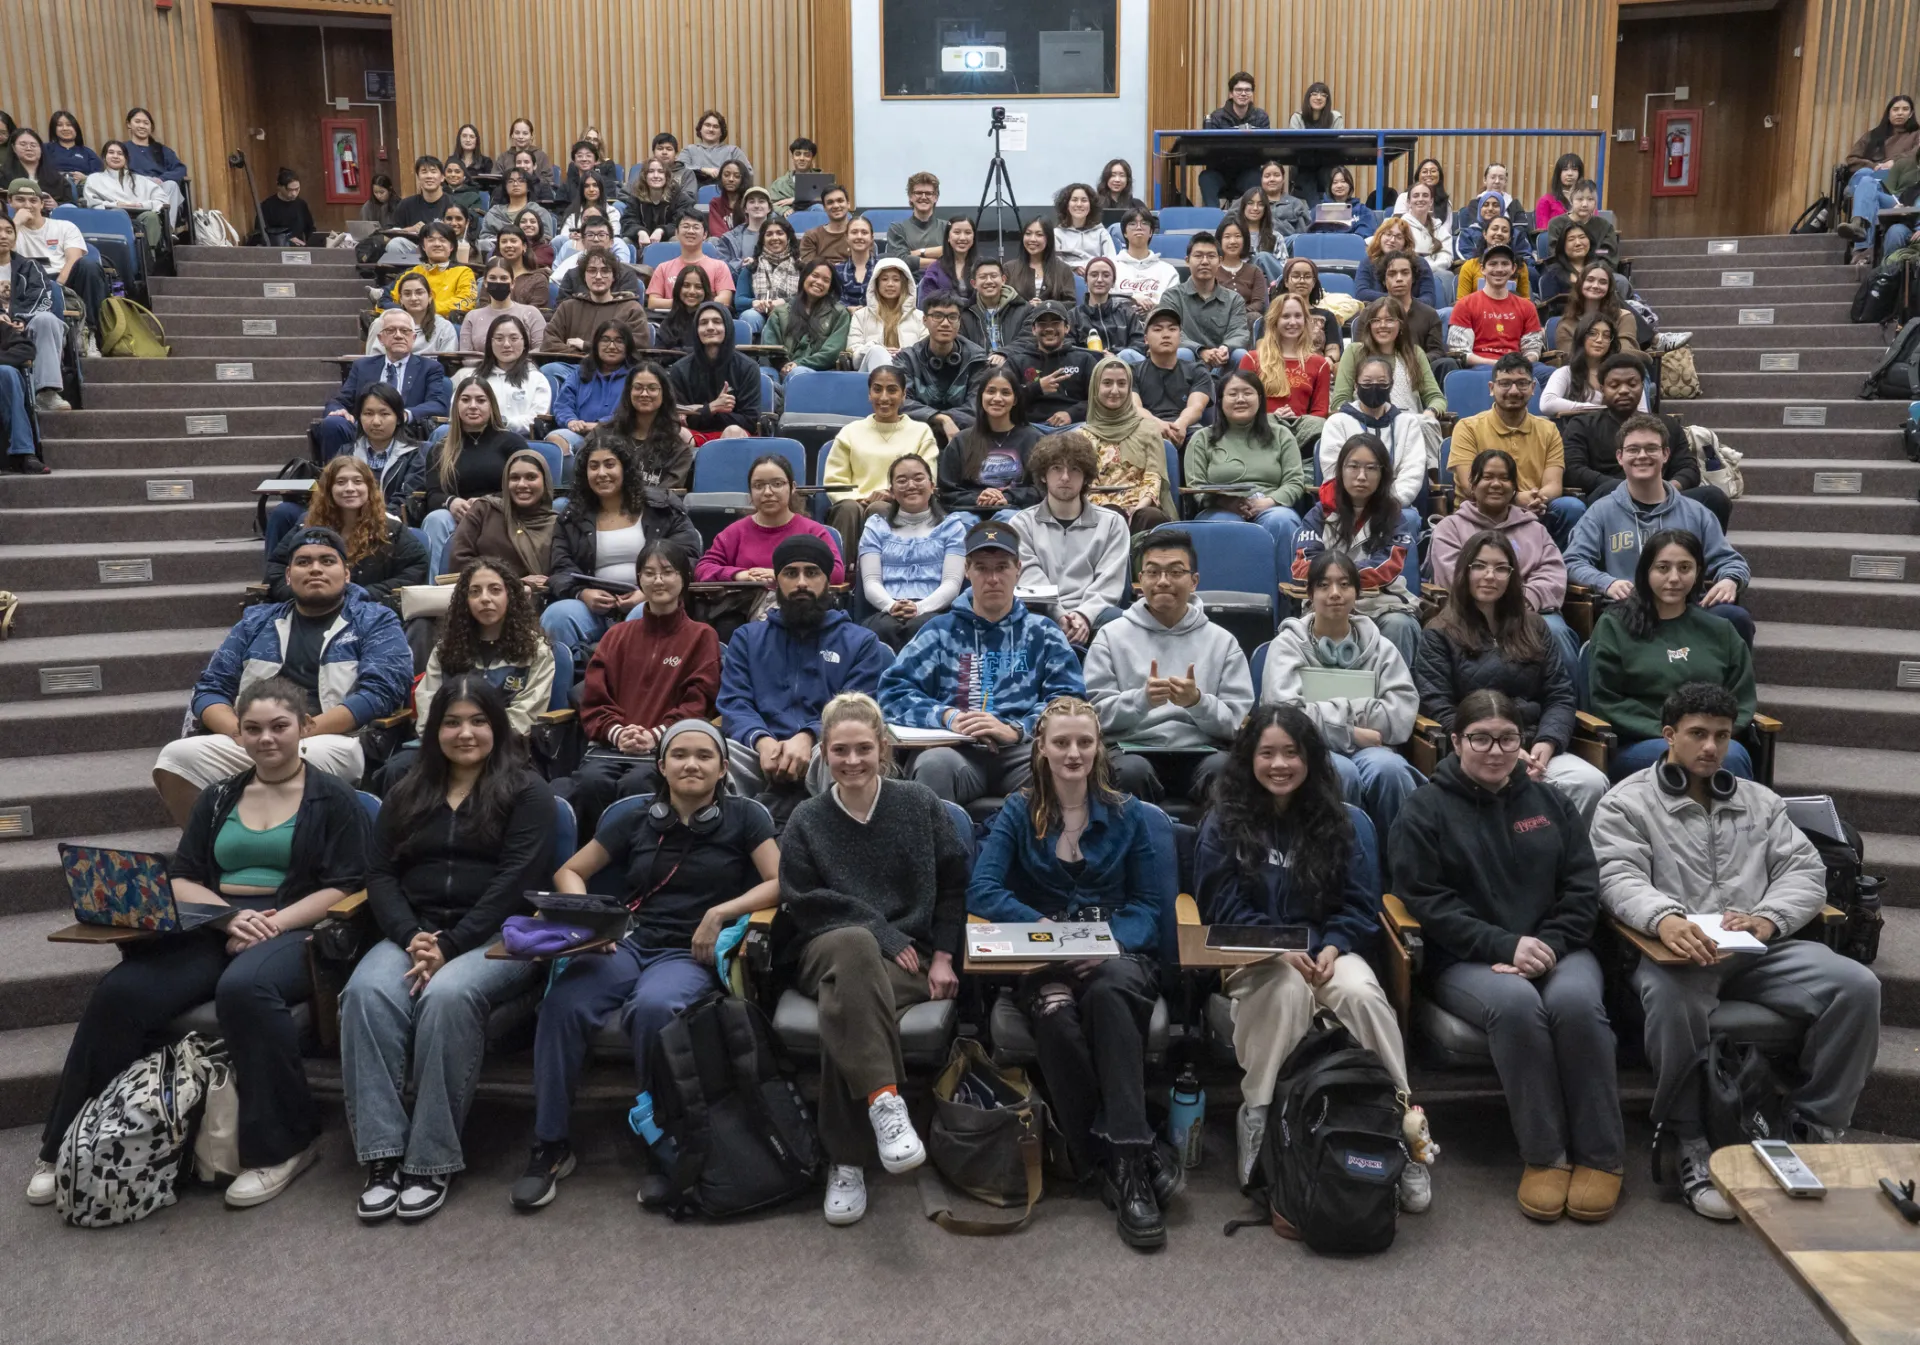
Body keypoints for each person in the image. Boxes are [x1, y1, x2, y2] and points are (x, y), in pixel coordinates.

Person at [27, 678, 371, 1211]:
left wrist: (273, 924)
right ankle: (67, 1143)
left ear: (304, 729)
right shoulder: (218, 798)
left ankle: (284, 1146)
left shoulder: (336, 799)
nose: (266, 739)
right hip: (218, 921)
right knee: (122, 992)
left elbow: (346, 884)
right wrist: (227, 917)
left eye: (280, 727)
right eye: (252, 729)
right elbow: (183, 876)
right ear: (239, 736)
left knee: (245, 989)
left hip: (298, 924)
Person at [1592, 681, 1882, 1219]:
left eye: (1722, 736)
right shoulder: (1626, 802)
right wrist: (1664, 917)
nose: (1710, 748)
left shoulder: (1760, 801)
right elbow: (1617, 875)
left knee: (1858, 987)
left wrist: (1769, 920)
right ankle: (1691, 1139)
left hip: (1756, 949)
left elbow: (1804, 871)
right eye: (1697, 734)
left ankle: (1812, 1126)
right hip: (1676, 954)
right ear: (1668, 736)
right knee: (1674, 1001)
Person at [516, 719, 779, 1210]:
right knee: (563, 1004)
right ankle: (550, 1143)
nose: (691, 764)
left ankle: (665, 1145)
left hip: (689, 952)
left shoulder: (747, 817)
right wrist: (591, 922)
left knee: (656, 1009)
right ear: (661, 765)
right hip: (630, 944)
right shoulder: (635, 815)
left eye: (705, 755)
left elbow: (778, 881)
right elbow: (570, 871)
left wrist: (722, 912)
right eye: (680, 755)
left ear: (723, 768)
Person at [1390, 688, 1621, 1223]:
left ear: (1524, 743)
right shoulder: (1424, 809)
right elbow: (1425, 900)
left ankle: (1602, 1156)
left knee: (1577, 1005)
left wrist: (1549, 945)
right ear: (1455, 741)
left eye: (1508, 739)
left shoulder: (1551, 802)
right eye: (1480, 739)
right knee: (1516, 1005)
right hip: (1467, 958)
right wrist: (1504, 945)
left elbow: (1583, 887)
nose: (1495, 751)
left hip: (1559, 948)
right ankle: (1545, 1156)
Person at [1199, 705, 1436, 1204]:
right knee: (1284, 989)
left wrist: (1332, 944)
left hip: (1329, 948)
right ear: (1249, 759)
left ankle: (1403, 1127)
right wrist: (1280, 948)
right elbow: (1220, 905)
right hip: (1255, 954)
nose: (1279, 764)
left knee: (1361, 992)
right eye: (1267, 753)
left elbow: (1359, 902)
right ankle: (1258, 1115)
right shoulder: (1225, 821)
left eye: (1291, 752)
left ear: (1310, 759)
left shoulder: (1345, 822)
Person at [966, 697, 1177, 1248]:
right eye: (1061, 742)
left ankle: (1125, 1166)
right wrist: (1045, 930)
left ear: (1099, 747)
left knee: (1110, 995)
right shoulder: (1018, 811)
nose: (1073, 752)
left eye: (1084, 741)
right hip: (1045, 957)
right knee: (1056, 1016)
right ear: (1041, 747)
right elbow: (984, 890)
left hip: (1118, 958)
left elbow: (1149, 908)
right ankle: (1124, 1151)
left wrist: (1106, 943)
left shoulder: (1129, 815)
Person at [339, 676, 551, 1221]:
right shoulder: (408, 786)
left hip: (499, 935)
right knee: (365, 992)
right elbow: (381, 873)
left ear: (497, 727)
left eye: (478, 721)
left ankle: (431, 1159)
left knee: (448, 998)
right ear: (434, 730)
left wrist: (451, 945)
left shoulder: (527, 791)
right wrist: (412, 935)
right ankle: (383, 1155)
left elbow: (515, 882)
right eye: (452, 722)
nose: (465, 733)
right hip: (415, 930)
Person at [769, 692, 965, 1224]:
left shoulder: (919, 804)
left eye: (862, 749)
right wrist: (878, 930)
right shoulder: (807, 818)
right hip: (824, 947)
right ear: (824, 755)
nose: (851, 761)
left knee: (848, 1006)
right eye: (839, 751)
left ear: (882, 748)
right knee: (854, 948)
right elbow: (802, 901)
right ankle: (885, 1102)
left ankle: (847, 1162)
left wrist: (944, 956)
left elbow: (953, 887)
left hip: (911, 958)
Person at [152, 523, 409, 829]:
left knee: (288, 761)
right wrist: (241, 731)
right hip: (252, 737)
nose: (315, 569)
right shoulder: (257, 621)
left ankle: (274, 854)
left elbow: (382, 691)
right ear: (288, 576)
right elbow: (211, 687)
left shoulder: (374, 619)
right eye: (303, 562)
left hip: (331, 740)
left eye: (327, 561)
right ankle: (209, 856)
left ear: (347, 574)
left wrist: (302, 731)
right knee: (176, 758)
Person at [880, 521, 1085, 806]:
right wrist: (948, 717)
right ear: (967, 571)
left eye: (1001, 567)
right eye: (982, 568)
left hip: (1024, 752)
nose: (992, 578)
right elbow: (892, 692)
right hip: (956, 751)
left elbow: (1069, 700)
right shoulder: (939, 631)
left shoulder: (1044, 633)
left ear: (1018, 570)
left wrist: (1016, 729)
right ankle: (942, 851)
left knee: (1061, 765)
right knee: (932, 765)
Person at [1417, 530, 1607, 821]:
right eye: (1479, 566)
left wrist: (1549, 741)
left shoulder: (1535, 626)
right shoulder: (1439, 632)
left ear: (1512, 575)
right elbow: (1437, 704)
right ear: (1463, 571)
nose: (1489, 575)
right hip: (1477, 750)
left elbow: (1559, 694)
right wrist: (1499, 746)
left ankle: (1562, 862)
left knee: (1588, 782)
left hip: (1535, 747)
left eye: (1500, 568)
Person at [718, 535, 893, 808]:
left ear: (827, 581)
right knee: (706, 754)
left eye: (811, 573)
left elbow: (855, 711)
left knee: (845, 755)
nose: (801, 582)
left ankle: (839, 843)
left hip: (822, 753)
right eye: (791, 573)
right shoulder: (747, 638)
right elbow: (734, 702)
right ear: (777, 582)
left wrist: (808, 736)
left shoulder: (860, 642)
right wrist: (761, 740)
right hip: (758, 753)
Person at [1262, 550, 1423, 838]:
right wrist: (1353, 731)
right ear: (1309, 594)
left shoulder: (1382, 648)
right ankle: (1336, 867)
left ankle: (1395, 868)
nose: (1335, 593)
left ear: (1357, 593)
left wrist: (1324, 714)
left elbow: (1399, 719)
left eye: (1345, 584)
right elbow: (1285, 718)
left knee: (1390, 770)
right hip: (1306, 751)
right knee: (1340, 771)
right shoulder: (1287, 645)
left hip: (1372, 752)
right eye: (1324, 585)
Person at [1087, 529, 1254, 805]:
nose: (1163, 581)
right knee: (1130, 772)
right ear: (1141, 581)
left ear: (1194, 581)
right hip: (1130, 750)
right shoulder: (1110, 636)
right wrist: (1142, 701)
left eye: (1175, 572)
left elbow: (1236, 723)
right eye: (1153, 572)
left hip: (1203, 750)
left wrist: (1197, 702)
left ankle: (1210, 848)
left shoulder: (1222, 641)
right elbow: (1096, 717)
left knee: (1224, 771)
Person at [565, 540, 722, 832]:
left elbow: (698, 702)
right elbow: (594, 697)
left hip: (665, 751)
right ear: (639, 580)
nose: (658, 580)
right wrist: (619, 733)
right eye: (648, 573)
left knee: (637, 784)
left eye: (667, 572)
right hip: (610, 748)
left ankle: (639, 863)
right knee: (589, 783)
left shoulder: (702, 637)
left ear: (683, 578)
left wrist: (654, 737)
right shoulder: (617, 635)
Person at [1588, 529, 1757, 779]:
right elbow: (1605, 699)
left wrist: (1711, 734)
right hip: (1642, 739)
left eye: (1685, 568)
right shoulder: (1614, 625)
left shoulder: (1720, 630)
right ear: (1646, 572)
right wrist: (1677, 735)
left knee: (1726, 754)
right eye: (1663, 568)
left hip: (1712, 739)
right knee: (1718, 757)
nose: (1674, 578)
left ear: (1698, 572)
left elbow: (1741, 697)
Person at [1566, 412, 1751, 635]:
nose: (1642, 455)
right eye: (1633, 449)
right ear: (1619, 457)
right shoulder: (1601, 511)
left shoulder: (1696, 513)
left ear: (1665, 455)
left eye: (1651, 448)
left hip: (1687, 608)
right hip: (1628, 610)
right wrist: (1607, 582)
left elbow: (1731, 561)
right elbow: (1572, 561)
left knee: (1736, 618)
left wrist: (1730, 580)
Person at [540, 437, 700, 665]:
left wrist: (648, 593)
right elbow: (560, 568)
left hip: (652, 597)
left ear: (625, 468)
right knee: (557, 616)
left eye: (610, 464)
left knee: (644, 614)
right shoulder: (571, 517)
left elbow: (688, 556)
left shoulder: (662, 507)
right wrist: (582, 594)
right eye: (593, 466)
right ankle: (571, 690)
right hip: (594, 608)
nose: (602, 473)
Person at [1430, 447, 1578, 667]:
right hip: (1469, 614)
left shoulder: (1535, 529)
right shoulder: (1450, 527)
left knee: (1556, 632)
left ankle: (1568, 701)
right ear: (1472, 484)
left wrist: (1519, 604)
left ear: (1514, 488)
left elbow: (1552, 575)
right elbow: (1452, 576)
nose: (1496, 484)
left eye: (1504, 478)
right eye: (1488, 477)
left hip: (1528, 611)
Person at [1295, 435, 1422, 668]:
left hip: (1382, 602)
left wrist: (1340, 576)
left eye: (1371, 468)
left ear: (1383, 474)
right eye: (1353, 466)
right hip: (1326, 601)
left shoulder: (1394, 515)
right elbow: (1303, 564)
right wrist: (1339, 583)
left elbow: (1389, 565)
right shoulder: (1319, 513)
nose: (1361, 476)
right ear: (1340, 469)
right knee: (1309, 625)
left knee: (1399, 624)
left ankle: (1393, 698)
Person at [1562, 359, 1730, 531]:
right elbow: (1574, 470)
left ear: (1642, 387)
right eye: (1614, 385)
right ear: (1602, 389)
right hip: (1609, 497)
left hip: (1664, 496)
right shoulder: (1582, 425)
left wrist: (1666, 490)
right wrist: (1627, 489)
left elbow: (1689, 469)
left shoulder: (1667, 424)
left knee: (1714, 497)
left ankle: (1704, 555)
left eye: (1632, 384)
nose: (1624, 390)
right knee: (1612, 488)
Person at [1009, 431, 1130, 650]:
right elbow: (1029, 578)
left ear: (1086, 477)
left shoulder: (1113, 523)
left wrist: (1084, 615)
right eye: (1057, 468)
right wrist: (1059, 615)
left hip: (1095, 613)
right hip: (1043, 611)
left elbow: (1109, 583)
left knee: (1121, 622)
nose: (1065, 477)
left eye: (1074, 469)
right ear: (1043, 475)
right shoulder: (1021, 523)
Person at [1447, 352, 1581, 548]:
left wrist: (1535, 500)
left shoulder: (1548, 429)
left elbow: (1553, 485)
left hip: (1534, 513)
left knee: (1570, 507)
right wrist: (1517, 500)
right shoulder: (1468, 427)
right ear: (1492, 388)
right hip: (1481, 513)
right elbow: (1470, 486)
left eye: (1522, 383)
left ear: (1533, 388)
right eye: (1505, 383)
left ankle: (1560, 571)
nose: (1514, 390)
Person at [1186, 367, 1312, 571]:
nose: (1240, 399)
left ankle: (1287, 599)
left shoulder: (1281, 435)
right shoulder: (1202, 439)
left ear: (1260, 398)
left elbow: (1295, 481)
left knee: (1282, 521)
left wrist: (1267, 502)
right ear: (1220, 400)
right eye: (1233, 394)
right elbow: (1196, 486)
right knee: (1224, 525)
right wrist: (1226, 502)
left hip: (1270, 505)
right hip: (1219, 508)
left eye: (1247, 393)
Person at [264, 456, 426, 607]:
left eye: (357, 481)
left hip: (371, 611)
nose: (350, 488)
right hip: (313, 612)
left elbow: (416, 569)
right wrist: (301, 595)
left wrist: (363, 594)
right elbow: (276, 568)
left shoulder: (390, 529)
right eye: (340, 482)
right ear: (329, 489)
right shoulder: (307, 526)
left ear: (368, 487)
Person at [821, 363, 940, 558]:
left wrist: (892, 494)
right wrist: (861, 498)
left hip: (901, 504)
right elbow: (835, 483)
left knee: (880, 508)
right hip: (854, 503)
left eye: (892, 390)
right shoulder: (851, 431)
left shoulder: (921, 431)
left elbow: (927, 480)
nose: (884, 397)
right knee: (848, 508)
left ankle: (885, 572)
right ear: (869, 394)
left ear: (903, 395)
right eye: (877, 390)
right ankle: (841, 578)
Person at [1318, 355, 1430, 553]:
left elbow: (1413, 472)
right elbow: (1332, 471)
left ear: (1391, 385)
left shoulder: (1408, 423)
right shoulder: (1337, 423)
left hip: (1393, 503)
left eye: (1381, 383)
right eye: (1367, 382)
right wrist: (1361, 505)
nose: (1374, 387)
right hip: (1348, 503)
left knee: (1408, 518)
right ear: (1356, 384)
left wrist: (1385, 504)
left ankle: (1399, 580)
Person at [859, 453, 969, 650]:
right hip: (887, 609)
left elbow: (952, 583)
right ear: (892, 491)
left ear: (932, 485)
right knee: (881, 629)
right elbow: (871, 582)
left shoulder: (952, 526)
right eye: (902, 480)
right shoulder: (875, 526)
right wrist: (891, 606)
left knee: (925, 627)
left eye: (918, 478)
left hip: (935, 610)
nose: (911, 485)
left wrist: (920, 608)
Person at [697, 452, 846, 586]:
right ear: (750, 491)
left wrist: (780, 575)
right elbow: (703, 569)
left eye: (777, 484)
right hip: (743, 610)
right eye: (758, 485)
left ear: (793, 487)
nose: (768, 492)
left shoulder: (812, 531)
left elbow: (836, 572)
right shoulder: (735, 532)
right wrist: (739, 575)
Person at [1079, 357, 1176, 529]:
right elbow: (1085, 485)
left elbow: (1153, 477)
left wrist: (1138, 508)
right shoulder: (1082, 436)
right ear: (1095, 387)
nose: (1115, 390)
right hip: (1098, 508)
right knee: (1110, 516)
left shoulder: (1148, 429)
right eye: (1107, 383)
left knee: (1150, 517)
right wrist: (1111, 510)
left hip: (1141, 506)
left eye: (1122, 384)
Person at [1329, 297, 1446, 437]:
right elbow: (1340, 400)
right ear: (1369, 326)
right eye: (1376, 321)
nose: (1382, 325)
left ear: (1401, 325)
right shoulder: (1354, 352)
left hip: (1410, 430)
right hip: (1363, 430)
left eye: (1390, 320)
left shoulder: (1414, 353)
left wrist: (1429, 413)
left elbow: (1436, 398)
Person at [447, 449, 558, 593]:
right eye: (514, 478)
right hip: (481, 597)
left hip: (534, 602)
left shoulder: (557, 524)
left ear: (545, 482)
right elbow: (459, 561)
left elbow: (560, 575)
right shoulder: (484, 510)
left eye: (531, 477)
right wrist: (515, 582)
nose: (522, 484)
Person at [7, 179, 107, 338]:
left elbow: (74, 259)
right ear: (10, 202)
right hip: (26, 282)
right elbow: (5, 259)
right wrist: (16, 224)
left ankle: (92, 333)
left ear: (41, 204)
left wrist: (57, 286)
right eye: (20, 200)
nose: (27, 205)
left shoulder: (64, 226)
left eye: (33, 200)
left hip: (62, 278)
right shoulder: (6, 232)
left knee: (89, 266)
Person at [936, 367, 1041, 518]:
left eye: (1005, 393)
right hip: (970, 513)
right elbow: (947, 491)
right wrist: (978, 497)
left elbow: (1041, 488)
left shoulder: (1034, 439)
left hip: (1015, 513)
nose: (997, 398)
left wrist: (1008, 497)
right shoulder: (961, 441)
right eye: (991, 391)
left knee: (1007, 517)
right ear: (981, 396)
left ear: (1015, 400)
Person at [0, 214, 73, 420]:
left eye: (8, 231)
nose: (3, 235)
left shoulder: (30, 267)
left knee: (47, 319)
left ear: (15, 237)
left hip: (25, 329)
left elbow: (42, 297)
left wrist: (20, 319)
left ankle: (47, 393)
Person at [587, 361, 696, 493]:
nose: (644, 394)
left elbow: (666, 497)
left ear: (664, 394)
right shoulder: (601, 434)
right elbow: (582, 477)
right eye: (638, 387)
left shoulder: (678, 450)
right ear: (629, 392)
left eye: (652, 388)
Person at [1835, 95, 1917, 258]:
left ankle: (1859, 227)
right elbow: (1852, 159)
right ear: (1888, 113)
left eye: (1905, 109)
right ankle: (1861, 239)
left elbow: (1916, 155)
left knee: (1865, 181)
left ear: (1911, 113)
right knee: (1866, 176)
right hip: (1872, 181)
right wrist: (1874, 166)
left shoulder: (1917, 135)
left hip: (1897, 194)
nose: (1900, 113)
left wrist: (1894, 162)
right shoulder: (1873, 136)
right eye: (1895, 109)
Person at [899, 290, 987, 440]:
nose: (945, 323)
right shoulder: (907, 358)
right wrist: (941, 418)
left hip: (965, 435)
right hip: (917, 436)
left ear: (960, 321)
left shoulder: (976, 359)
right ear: (925, 320)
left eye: (952, 317)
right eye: (938, 316)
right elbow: (901, 402)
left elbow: (976, 407)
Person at [1243, 293, 1333, 438]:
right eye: (1285, 316)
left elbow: (1320, 412)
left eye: (1298, 316)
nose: (1293, 322)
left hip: (1301, 433)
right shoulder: (1252, 359)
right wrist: (1271, 417)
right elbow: (1243, 404)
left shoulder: (1320, 364)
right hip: (1260, 431)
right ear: (1274, 321)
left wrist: (1297, 421)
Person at [668, 301, 761, 442]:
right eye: (704, 323)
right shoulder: (679, 370)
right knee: (678, 433)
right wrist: (712, 408)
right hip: (695, 435)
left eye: (717, 322)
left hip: (735, 435)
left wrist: (700, 411)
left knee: (733, 431)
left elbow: (750, 420)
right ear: (696, 329)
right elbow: (678, 416)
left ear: (727, 327)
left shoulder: (748, 367)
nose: (710, 327)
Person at [545, 321, 639, 455]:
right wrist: (571, 421)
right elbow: (562, 404)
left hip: (619, 435)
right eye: (605, 340)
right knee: (556, 440)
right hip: (579, 434)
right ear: (596, 344)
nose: (612, 346)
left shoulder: (636, 376)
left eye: (619, 341)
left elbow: (634, 413)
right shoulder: (581, 372)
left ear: (628, 346)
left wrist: (600, 426)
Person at [1164, 232, 1251, 369]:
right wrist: (1200, 350)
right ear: (1187, 260)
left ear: (1220, 261)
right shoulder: (1172, 296)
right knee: (1183, 353)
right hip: (1189, 362)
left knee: (1241, 354)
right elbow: (1169, 332)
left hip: (1223, 363)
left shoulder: (1234, 299)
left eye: (1211, 256)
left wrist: (1224, 348)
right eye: (1198, 256)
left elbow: (1239, 332)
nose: (1205, 262)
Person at [1005, 301, 1097, 429]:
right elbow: (1004, 399)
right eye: (1042, 323)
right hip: (1029, 428)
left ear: (1066, 328)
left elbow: (1098, 399)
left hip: (1074, 427)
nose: (1049, 328)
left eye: (1055, 323)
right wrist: (1037, 388)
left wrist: (1072, 414)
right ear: (1033, 329)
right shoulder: (1016, 362)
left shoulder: (1084, 360)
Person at [1445, 245, 1540, 367]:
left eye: (1505, 264)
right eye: (1493, 264)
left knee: (1547, 372)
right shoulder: (1465, 305)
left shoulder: (1527, 307)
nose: (1499, 269)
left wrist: (1518, 365)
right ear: (1482, 269)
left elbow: (1533, 349)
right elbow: (1460, 352)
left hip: (1519, 367)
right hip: (1481, 367)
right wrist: (1498, 364)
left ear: (1513, 268)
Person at [452, 316, 550, 435]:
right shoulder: (472, 378)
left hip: (521, 441)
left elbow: (537, 419)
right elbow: (455, 413)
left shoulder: (536, 379)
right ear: (490, 343)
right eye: (499, 339)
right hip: (474, 438)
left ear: (524, 343)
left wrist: (503, 423)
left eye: (513, 338)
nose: (506, 344)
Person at [540, 250, 650, 354]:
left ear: (613, 277)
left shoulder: (631, 308)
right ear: (584, 276)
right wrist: (579, 354)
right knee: (550, 370)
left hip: (614, 368)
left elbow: (639, 344)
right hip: (571, 366)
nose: (598, 277)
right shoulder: (568, 307)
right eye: (592, 271)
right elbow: (549, 342)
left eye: (605, 271)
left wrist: (587, 346)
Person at [1132, 304, 1212, 446]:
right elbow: (1134, 408)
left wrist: (1181, 424)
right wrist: (1157, 424)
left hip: (1187, 429)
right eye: (1157, 329)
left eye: (1172, 329)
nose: (1166, 334)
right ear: (1145, 339)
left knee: (1202, 440)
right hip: (1146, 428)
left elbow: (1196, 407)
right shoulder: (1132, 371)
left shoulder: (1197, 370)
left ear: (1180, 337)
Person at [80, 140, 170, 251]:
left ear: (126, 158)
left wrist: (141, 205)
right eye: (111, 152)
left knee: (151, 217)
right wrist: (116, 204)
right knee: (118, 214)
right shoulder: (94, 179)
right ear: (104, 157)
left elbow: (162, 199)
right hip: (110, 217)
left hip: (138, 217)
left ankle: (148, 257)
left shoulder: (141, 180)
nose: (115, 156)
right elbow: (91, 203)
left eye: (120, 153)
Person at [1541, 312, 1635, 418]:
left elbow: (1642, 412)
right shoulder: (1566, 373)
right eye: (1592, 333)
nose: (1599, 340)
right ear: (1581, 337)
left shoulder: (1622, 373)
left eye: (1606, 336)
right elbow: (1547, 404)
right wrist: (1593, 408)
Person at [1199, 71, 1271, 206]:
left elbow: (1264, 148)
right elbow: (1209, 149)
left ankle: (1249, 221)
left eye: (1247, 90)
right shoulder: (1216, 117)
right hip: (1219, 172)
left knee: (1256, 177)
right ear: (1231, 93)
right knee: (1205, 178)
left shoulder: (1261, 117)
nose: (1243, 94)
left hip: (1248, 172)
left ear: (1252, 94)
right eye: (1238, 90)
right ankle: (1214, 220)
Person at [847, 257, 925, 371]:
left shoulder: (920, 317)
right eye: (884, 279)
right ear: (876, 283)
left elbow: (926, 353)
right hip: (870, 374)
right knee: (876, 352)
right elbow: (854, 357)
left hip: (908, 371)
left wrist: (905, 353)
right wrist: (877, 349)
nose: (890, 284)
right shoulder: (860, 316)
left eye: (896, 279)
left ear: (904, 283)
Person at [644, 212, 734, 311]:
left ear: (705, 234)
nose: (690, 231)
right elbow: (652, 302)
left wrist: (692, 303)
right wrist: (686, 302)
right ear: (677, 233)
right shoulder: (663, 268)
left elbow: (725, 300)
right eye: (686, 226)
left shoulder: (720, 267)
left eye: (696, 227)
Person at [1556, 264, 1644, 360]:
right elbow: (1570, 359)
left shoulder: (1624, 317)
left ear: (1609, 288)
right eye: (1590, 280)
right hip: (1580, 372)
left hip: (1617, 370)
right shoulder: (1566, 324)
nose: (1595, 286)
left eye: (1603, 282)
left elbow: (1625, 353)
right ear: (1580, 284)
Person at [461, 259, 547, 354]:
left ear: (513, 283)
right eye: (492, 278)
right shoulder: (472, 317)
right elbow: (466, 355)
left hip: (523, 367)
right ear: (485, 283)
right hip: (481, 368)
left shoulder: (531, 313)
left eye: (504, 278)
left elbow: (540, 349)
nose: (498, 282)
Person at [120, 106, 187, 225]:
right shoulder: (122, 149)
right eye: (137, 121)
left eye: (146, 123)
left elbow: (181, 169)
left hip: (158, 187)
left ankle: (168, 230)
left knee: (171, 185)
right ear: (129, 124)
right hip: (134, 188)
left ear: (151, 127)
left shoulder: (161, 150)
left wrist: (161, 179)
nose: (142, 126)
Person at [1072, 256, 1147, 361]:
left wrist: (1115, 358)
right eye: (1094, 275)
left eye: (1106, 275)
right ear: (1085, 281)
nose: (1099, 280)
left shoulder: (1127, 313)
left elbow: (1139, 345)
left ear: (1113, 282)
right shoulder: (1074, 315)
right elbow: (1069, 348)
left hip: (1124, 368)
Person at [1275, 256, 1348, 361]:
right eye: (1296, 276)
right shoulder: (1274, 314)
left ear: (1313, 283)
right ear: (1286, 281)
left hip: (1317, 368)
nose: (1302, 281)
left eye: (1307, 276)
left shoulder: (1327, 316)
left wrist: (1329, 360)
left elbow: (1333, 350)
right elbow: (1263, 348)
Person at [369, 273, 459, 357]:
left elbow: (447, 364)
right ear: (401, 299)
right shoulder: (382, 323)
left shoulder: (444, 327)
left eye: (419, 293)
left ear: (430, 297)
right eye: (407, 294)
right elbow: (373, 361)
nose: (413, 298)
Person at [1355, 218, 1438, 307]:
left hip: (1413, 313)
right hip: (1378, 314)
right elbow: (1361, 293)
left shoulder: (1420, 263)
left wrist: (1406, 303)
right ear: (1380, 236)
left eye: (1399, 237)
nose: (1392, 240)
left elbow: (1429, 299)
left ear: (1406, 243)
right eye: (1388, 234)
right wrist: (1398, 300)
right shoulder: (1368, 262)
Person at [959, 257, 1032, 356]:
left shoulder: (1024, 309)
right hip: (977, 367)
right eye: (983, 277)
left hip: (1014, 366)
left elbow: (1027, 340)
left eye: (994, 276)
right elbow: (962, 345)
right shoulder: (964, 313)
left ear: (1003, 280)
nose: (989, 281)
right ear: (974, 283)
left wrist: (1004, 354)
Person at [1111, 209, 1180, 310]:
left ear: (1151, 232)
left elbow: (1173, 305)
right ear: (1124, 233)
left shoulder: (1168, 271)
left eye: (1144, 223)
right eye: (1132, 223)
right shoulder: (1111, 268)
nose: (1139, 227)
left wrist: (1153, 309)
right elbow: (1104, 301)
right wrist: (1132, 300)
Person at [1454, 214, 1531, 300]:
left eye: (1504, 231)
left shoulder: (1520, 266)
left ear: (1510, 238)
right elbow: (1461, 302)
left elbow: (1525, 301)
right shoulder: (1469, 266)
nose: (1499, 233)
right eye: (1494, 229)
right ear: (1485, 234)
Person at [1539, 181, 1616, 267]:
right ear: (1571, 201)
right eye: (1580, 199)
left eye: (1590, 199)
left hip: (1598, 270)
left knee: (1621, 280)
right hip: (1565, 270)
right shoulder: (1556, 224)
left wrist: (1594, 258)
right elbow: (1555, 252)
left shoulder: (1605, 225)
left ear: (1595, 202)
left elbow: (1607, 252)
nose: (1585, 204)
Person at [1399, 183, 1456, 295]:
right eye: (1416, 196)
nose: (1420, 199)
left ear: (1431, 202)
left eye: (1425, 195)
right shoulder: (1400, 226)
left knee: (1447, 276)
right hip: (1408, 273)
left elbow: (1447, 256)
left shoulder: (1439, 228)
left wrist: (1428, 268)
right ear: (1408, 202)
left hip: (1435, 273)